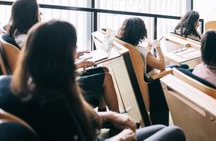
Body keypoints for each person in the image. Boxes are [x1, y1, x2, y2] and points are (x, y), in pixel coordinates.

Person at [0, 20, 185, 141]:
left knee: (160, 128)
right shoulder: (55, 103)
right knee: (174, 133)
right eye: (73, 47)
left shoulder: (13, 84)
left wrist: (108, 115)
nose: (76, 51)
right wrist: (121, 138)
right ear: (62, 56)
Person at [1, 0, 119, 112]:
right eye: (38, 12)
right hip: (54, 88)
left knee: (103, 70)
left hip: (50, 83)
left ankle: (103, 115)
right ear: (30, 16)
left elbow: (45, 61)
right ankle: (118, 123)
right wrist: (77, 65)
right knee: (105, 77)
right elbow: (44, 72)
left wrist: (74, 56)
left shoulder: (18, 35)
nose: (41, 15)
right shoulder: (28, 40)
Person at [116, 17, 169, 125]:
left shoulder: (122, 46)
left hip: (128, 89)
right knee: (173, 72)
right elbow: (161, 65)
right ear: (141, 33)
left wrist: (148, 49)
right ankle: (160, 125)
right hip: (144, 89)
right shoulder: (139, 50)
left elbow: (142, 63)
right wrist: (158, 47)